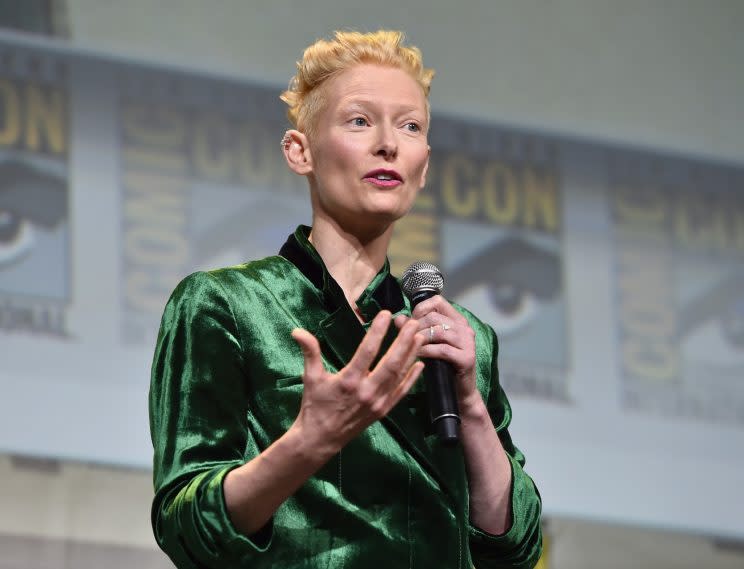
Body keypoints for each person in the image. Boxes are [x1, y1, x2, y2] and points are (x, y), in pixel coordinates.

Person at [149, 29, 542, 569]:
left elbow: (513, 548)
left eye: (410, 127)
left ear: (423, 166)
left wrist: (471, 407)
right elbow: (186, 527)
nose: (389, 143)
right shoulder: (227, 304)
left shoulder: (456, 335)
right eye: (360, 121)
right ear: (300, 150)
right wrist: (308, 443)